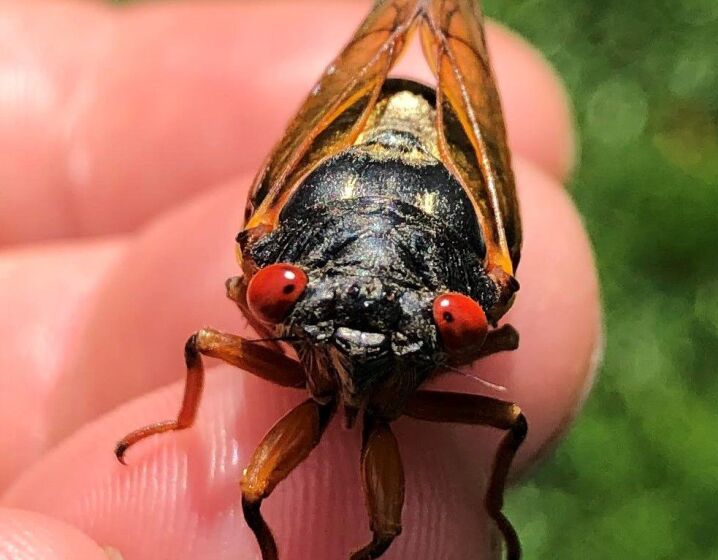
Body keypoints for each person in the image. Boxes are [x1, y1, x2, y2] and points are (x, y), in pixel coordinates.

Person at [0, 1, 600, 558]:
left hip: (432, 184)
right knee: (268, 493)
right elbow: (216, 329)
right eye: (284, 289)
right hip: (359, 174)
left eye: (454, 321)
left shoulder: (474, 277)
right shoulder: (455, 285)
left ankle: (485, 506)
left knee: (389, 522)